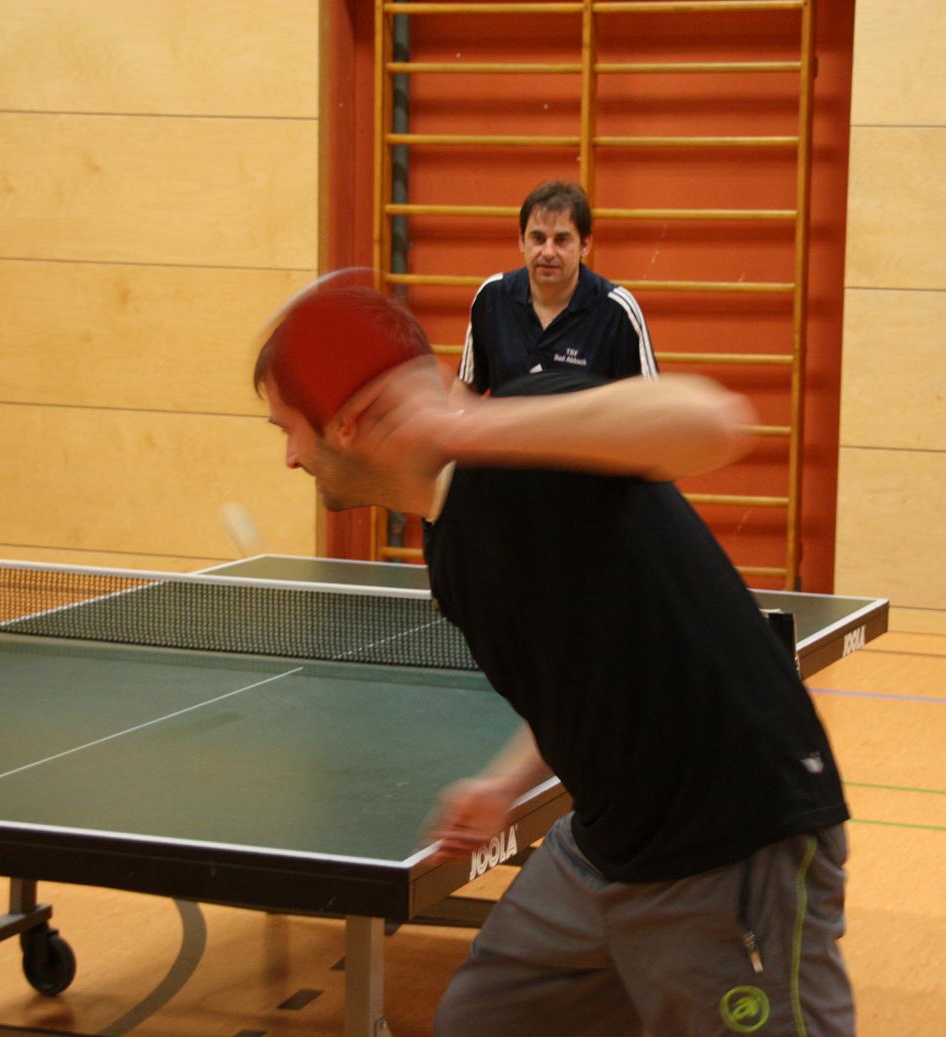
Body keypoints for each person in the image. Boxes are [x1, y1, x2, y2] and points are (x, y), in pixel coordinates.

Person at [254, 282, 855, 1036]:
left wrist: (467, 426)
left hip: (731, 837)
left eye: (288, 429)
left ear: (343, 424)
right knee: (482, 1023)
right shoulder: (451, 546)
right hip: (608, 845)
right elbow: (581, 680)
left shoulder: (524, 436)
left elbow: (711, 422)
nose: (289, 457)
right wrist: (503, 783)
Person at [458, 179, 658, 393]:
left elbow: (650, 400)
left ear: (585, 244)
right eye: (538, 238)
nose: (548, 252)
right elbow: (466, 388)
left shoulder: (618, 311)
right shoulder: (492, 297)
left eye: (561, 240)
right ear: (521, 241)